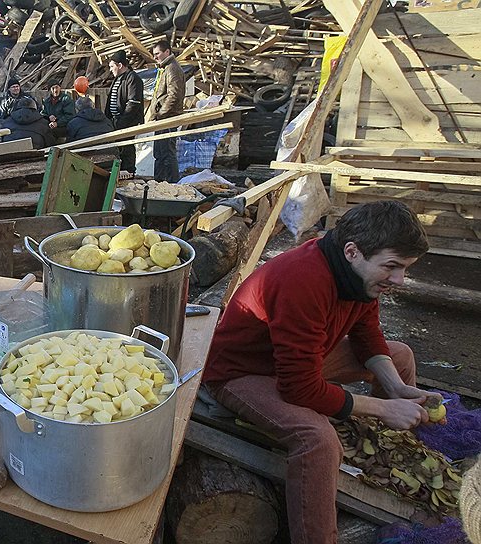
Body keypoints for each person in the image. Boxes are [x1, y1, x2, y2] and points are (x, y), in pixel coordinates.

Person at [202, 200, 441, 544]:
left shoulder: (357, 274)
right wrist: (382, 407)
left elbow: (367, 332)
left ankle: (392, 454)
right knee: (318, 440)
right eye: (392, 267)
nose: (400, 280)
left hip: (296, 360)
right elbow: (299, 388)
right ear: (352, 251)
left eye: (405, 268)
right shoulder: (304, 279)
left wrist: (398, 390)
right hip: (241, 371)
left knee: (400, 357)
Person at [151, 39, 185, 182]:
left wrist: (161, 113)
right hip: (163, 118)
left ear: (167, 52)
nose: (155, 57)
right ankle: (159, 182)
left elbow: (174, 95)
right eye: (154, 54)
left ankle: (170, 184)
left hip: (168, 118)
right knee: (160, 153)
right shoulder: (166, 68)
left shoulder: (172, 68)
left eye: (157, 53)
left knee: (166, 154)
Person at [105, 50, 144, 177]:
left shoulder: (132, 78)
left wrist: (121, 122)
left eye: (112, 66)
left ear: (120, 65)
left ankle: (129, 174)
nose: (110, 70)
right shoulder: (117, 79)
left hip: (127, 123)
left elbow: (133, 103)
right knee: (118, 151)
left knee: (127, 149)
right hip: (115, 122)